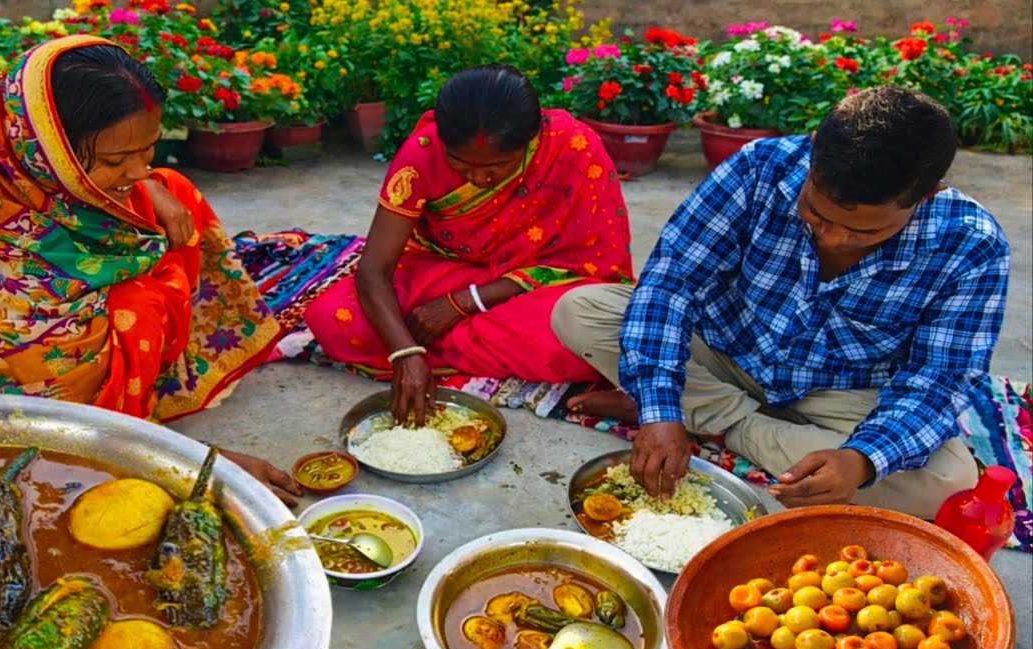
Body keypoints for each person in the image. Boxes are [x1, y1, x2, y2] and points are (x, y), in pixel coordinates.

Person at [0, 36, 302, 505]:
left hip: (33, 280)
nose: (137, 172)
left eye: (148, 151)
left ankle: (143, 377)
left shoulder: (7, 146)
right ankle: (127, 407)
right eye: (115, 160)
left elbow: (133, 179)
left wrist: (149, 180)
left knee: (172, 194)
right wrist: (195, 465)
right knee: (134, 305)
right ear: (39, 150)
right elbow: (41, 415)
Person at [552, 85, 1009, 518]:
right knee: (580, 311)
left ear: (927, 195)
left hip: (839, 392)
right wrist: (659, 411)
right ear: (813, 155)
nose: (833, 237)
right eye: (816, 212)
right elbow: (670, 285)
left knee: (948, 481)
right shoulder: (757, 168)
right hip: (723, 352)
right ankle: (704, 413)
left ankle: (717, 420)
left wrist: (861, 460)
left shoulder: (971, 245)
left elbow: (939, 380)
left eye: (865, 231)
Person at [304, 64, 633, 425]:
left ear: (533, 139)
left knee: (594, 327)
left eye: (498, 166)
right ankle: (453, 349)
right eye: (460, 163)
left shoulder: (573, 147)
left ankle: (447, 345)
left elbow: (590, 266)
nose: (477, 178)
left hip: (534, 288)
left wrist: (464, 304)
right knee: (333, 317)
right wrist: (405, 352)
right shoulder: (422, 154)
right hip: (447, 269)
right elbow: (373, 271)